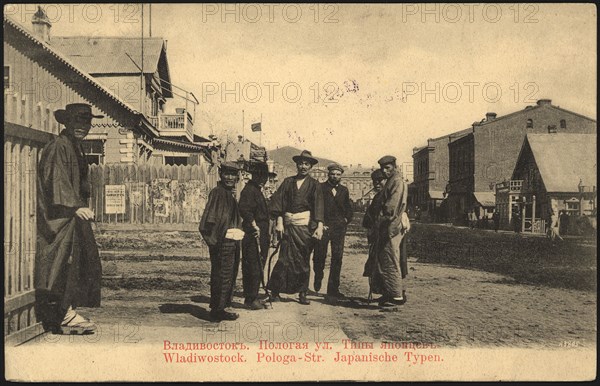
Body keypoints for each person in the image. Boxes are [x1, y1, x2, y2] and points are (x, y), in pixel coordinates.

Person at [35, 103, 103, 334]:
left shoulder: (75, 147)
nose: (82, 127)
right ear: (67, 123)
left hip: (72, 215)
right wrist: (74, 207)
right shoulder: (59, 147)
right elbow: (56, 181)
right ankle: (62, 315)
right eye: (77, 122)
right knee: (61, 264)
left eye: (86, 122)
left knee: (81, 262)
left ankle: (67, 310)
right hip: (59, 217)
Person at [267, 150, 324, 305]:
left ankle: (302, 293)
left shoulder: (314, 185)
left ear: (311, 166)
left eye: (306, 164)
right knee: (283, 259)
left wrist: (319, 226)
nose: (303, 166)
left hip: (304, 228)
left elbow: (318, 207)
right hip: (287, 226)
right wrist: (279, 222)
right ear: (296, 165)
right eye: (300, 163)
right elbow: (278, 203)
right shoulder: (287, 182)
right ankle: (275, 291)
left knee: (302, 260)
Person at [199, 162, 244, 321]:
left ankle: (220, 307)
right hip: (222, 242)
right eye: (227, 173)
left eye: (233, 174)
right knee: (222, 275)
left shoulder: (228, 193)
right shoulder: (218, 193)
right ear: (220, 174)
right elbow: (209, 220)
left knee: (227, 275)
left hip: (231, 241)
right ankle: (217, 310)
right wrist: (215, 241)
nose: (230, 177)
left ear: (237, 177)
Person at [372, 155, 409, 307]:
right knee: (385, 260)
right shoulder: (392, 181)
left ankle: (396, 296)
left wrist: (381, 218)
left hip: (391, 226)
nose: (385, 171)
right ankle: (388, 292)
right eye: (383, 168)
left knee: (391, 259)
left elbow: (391, 207)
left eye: (387, 168)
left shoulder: (397, 182)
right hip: (387, 225)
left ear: (394, 166)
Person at [313, 163, 353, 302]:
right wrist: (320, 223)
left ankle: (333, 289)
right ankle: (318, 277)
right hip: (323, 227)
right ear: (328, 175)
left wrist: (346, 220)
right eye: (332, 174)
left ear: (341, 176)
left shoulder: (344, 190)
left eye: (338, 174)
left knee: (337, 258)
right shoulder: (321, 188)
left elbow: (348, 208)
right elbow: (316, 207)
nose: (335, 176)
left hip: (339, 229)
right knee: (319, 255)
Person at [238, 162, 271, 310]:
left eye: (264, 176)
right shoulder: (249, 190)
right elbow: (245, 209)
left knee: (259, 264)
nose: (263, 179)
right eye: (260, 176)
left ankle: (254, 295)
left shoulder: (257, 189)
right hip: (253, 232)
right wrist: (253, 225)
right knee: (252, 265)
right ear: (255, 176)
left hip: (261, 230)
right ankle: (250, 299)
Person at [362, 169, 386, 299]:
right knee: (376, 263)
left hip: (383, 234)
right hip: (375, 233)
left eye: (379, 181)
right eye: (374, 181)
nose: (376, 184)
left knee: (383, 263)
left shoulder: (387, 195)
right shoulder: (378, 196)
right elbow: (369, 216)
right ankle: (382, 291)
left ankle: (389, 292)